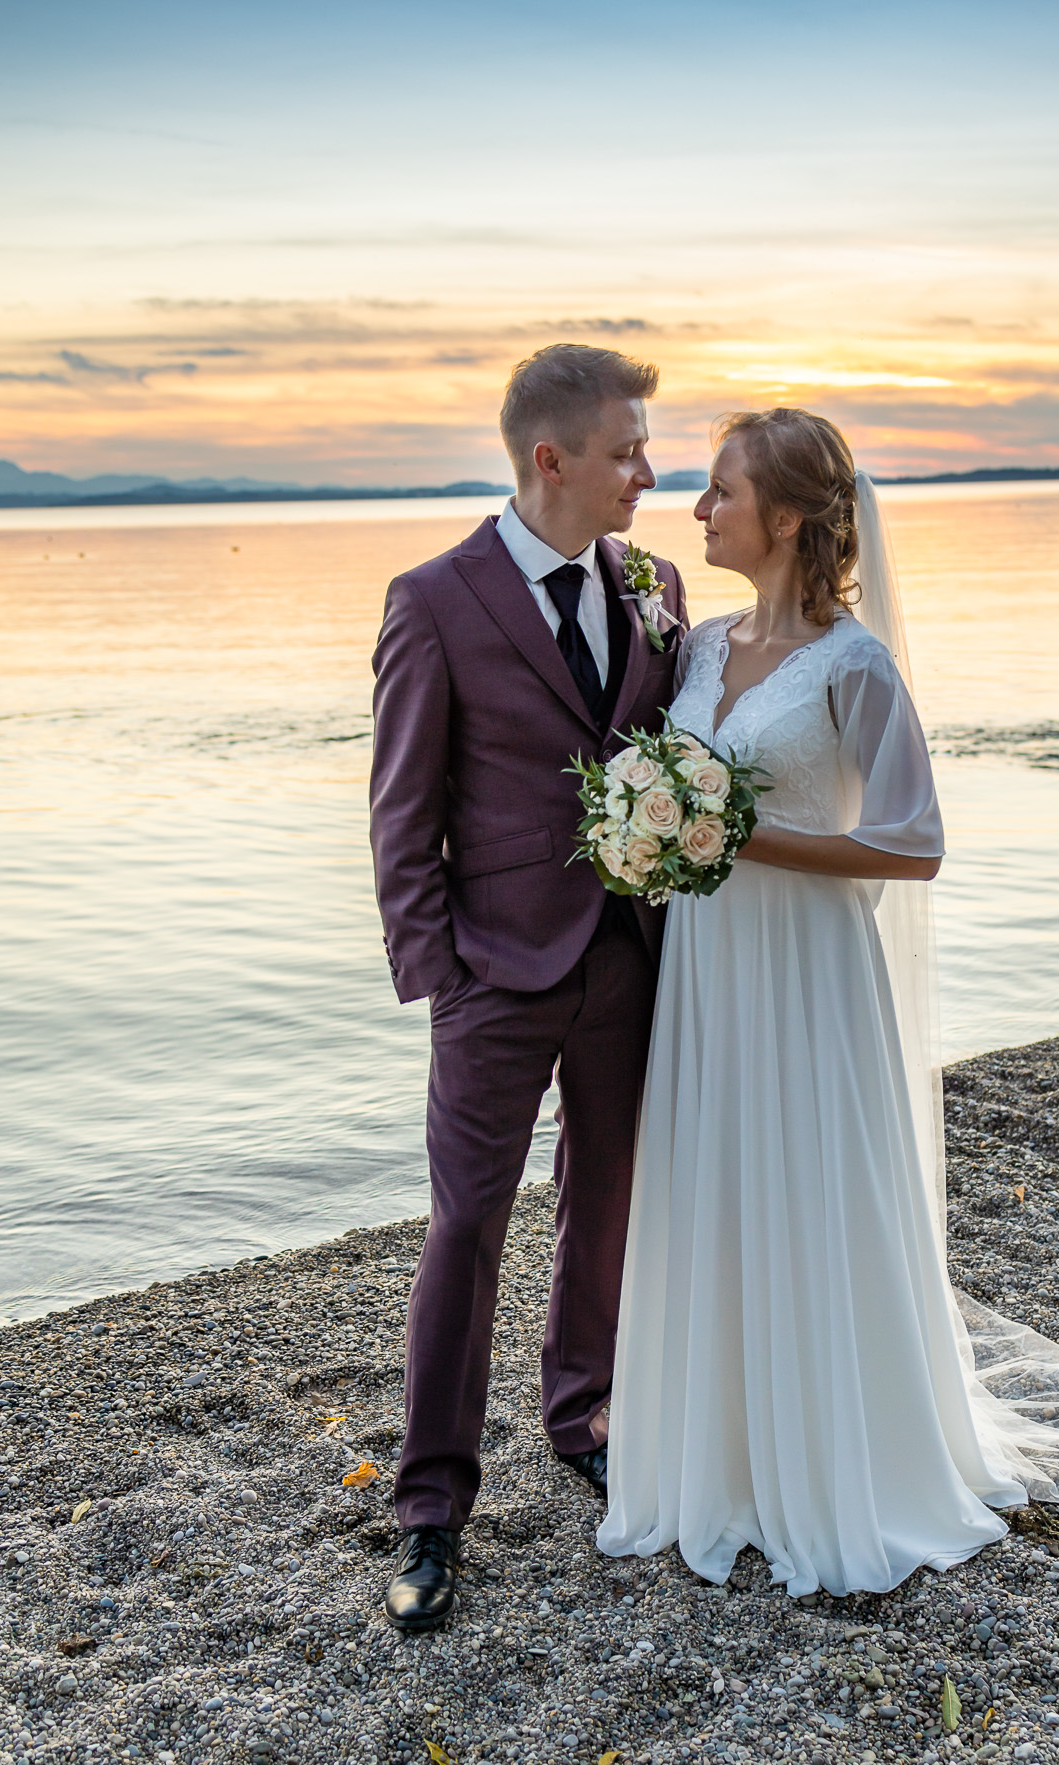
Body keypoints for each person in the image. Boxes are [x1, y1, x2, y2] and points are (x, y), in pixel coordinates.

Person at [598, 407, 1059, 1598]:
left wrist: (744, 836)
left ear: (790, 516)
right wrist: (658, 840)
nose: (699, 511)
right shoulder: (700, 649)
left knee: (810, 1182)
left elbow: (913, 844)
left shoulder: (854, 665)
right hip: (710, 970)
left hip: (810, 971)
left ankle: (839, 1461)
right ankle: (727, 1457)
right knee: (715, 1182)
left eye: (720, 491)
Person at [369, 343, 687, 1630]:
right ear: (549, 460)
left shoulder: (654, 586)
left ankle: (583, 1413)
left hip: (625, 959)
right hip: (493, 976)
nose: (647, 474)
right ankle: (432, 1505)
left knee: (602, 1202)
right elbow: (401, 812)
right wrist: (439, 972)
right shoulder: (435, 599)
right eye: (626, 452)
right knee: (467, 1228)